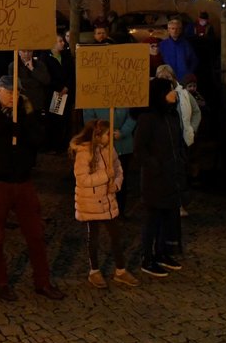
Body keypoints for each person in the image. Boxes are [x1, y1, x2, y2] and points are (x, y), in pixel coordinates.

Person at [0, 76, 65, 302]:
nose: (13, 96)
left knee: (36, 235)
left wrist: (24, 126)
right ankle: (0, 282)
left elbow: (40, 140)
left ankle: (43, 281)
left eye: (17, 92)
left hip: (22, 181)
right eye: (9, 92)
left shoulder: (26, 113)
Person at [69, 120, 139, 289]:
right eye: (108, 134)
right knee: (92, 238)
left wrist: (115, 183)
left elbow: (118, 168)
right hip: (90, 202)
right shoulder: (84, 152)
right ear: (98, 136)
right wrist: (105, 176)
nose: (111, 136)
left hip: (108, 200)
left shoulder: (109, 149)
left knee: (116, 236)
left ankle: (120, 270)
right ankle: (94, 271)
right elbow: (83, 179)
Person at [135, 77, 185, 278]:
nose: (174, 94)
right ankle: (147, 258)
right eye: (170, 91)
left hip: (171, 176)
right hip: (155, 179)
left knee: (168, 218)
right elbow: (140, 149)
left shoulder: (171, 116)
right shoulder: (148, 119)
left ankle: (162, 252)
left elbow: (177, 143)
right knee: (152, 220)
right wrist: (155, 166)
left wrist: (180, 161)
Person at [158, 17, 198, 83]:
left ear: (180, 30)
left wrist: (189, 72)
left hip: (183, 79)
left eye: (177, 29)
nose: (175, 31)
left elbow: (194, 60)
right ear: (168, 30)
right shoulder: (162, 45)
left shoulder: (186, 45)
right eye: (172, 28)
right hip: (167, 80)